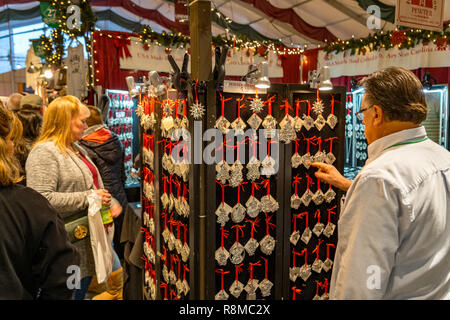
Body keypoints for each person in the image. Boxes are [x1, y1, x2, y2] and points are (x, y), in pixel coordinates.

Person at [312, 66, 450, 299]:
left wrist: (365, 188)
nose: (362, 121)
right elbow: (417, 212)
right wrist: (351, 186)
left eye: (362, 113)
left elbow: (362, 280)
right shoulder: (442, 158)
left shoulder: (379, 179)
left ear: (377, 114)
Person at [26, 95, 122, 300]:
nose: (87, 125)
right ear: (65, 120)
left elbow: (93, 184)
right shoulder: (45, 152)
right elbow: (41, 199)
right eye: (82, 120)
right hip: (64, 249)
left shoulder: (75, 148)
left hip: (83, 245)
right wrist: (89, 198)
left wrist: (108, 200)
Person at [0, 106, 80, 299]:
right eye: (11, 139)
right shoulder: (29, 204)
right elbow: (70, 268)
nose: (15, 146)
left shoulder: (74, 149)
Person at [78, 105, 126, 299]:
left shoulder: (83, 145)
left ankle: (105, 286)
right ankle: (112, 286)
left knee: (103, 243)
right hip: (116, 194)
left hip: (101, 198)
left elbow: (91, 178)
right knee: (109, 242)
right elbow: (121, 172)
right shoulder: (114, 139)